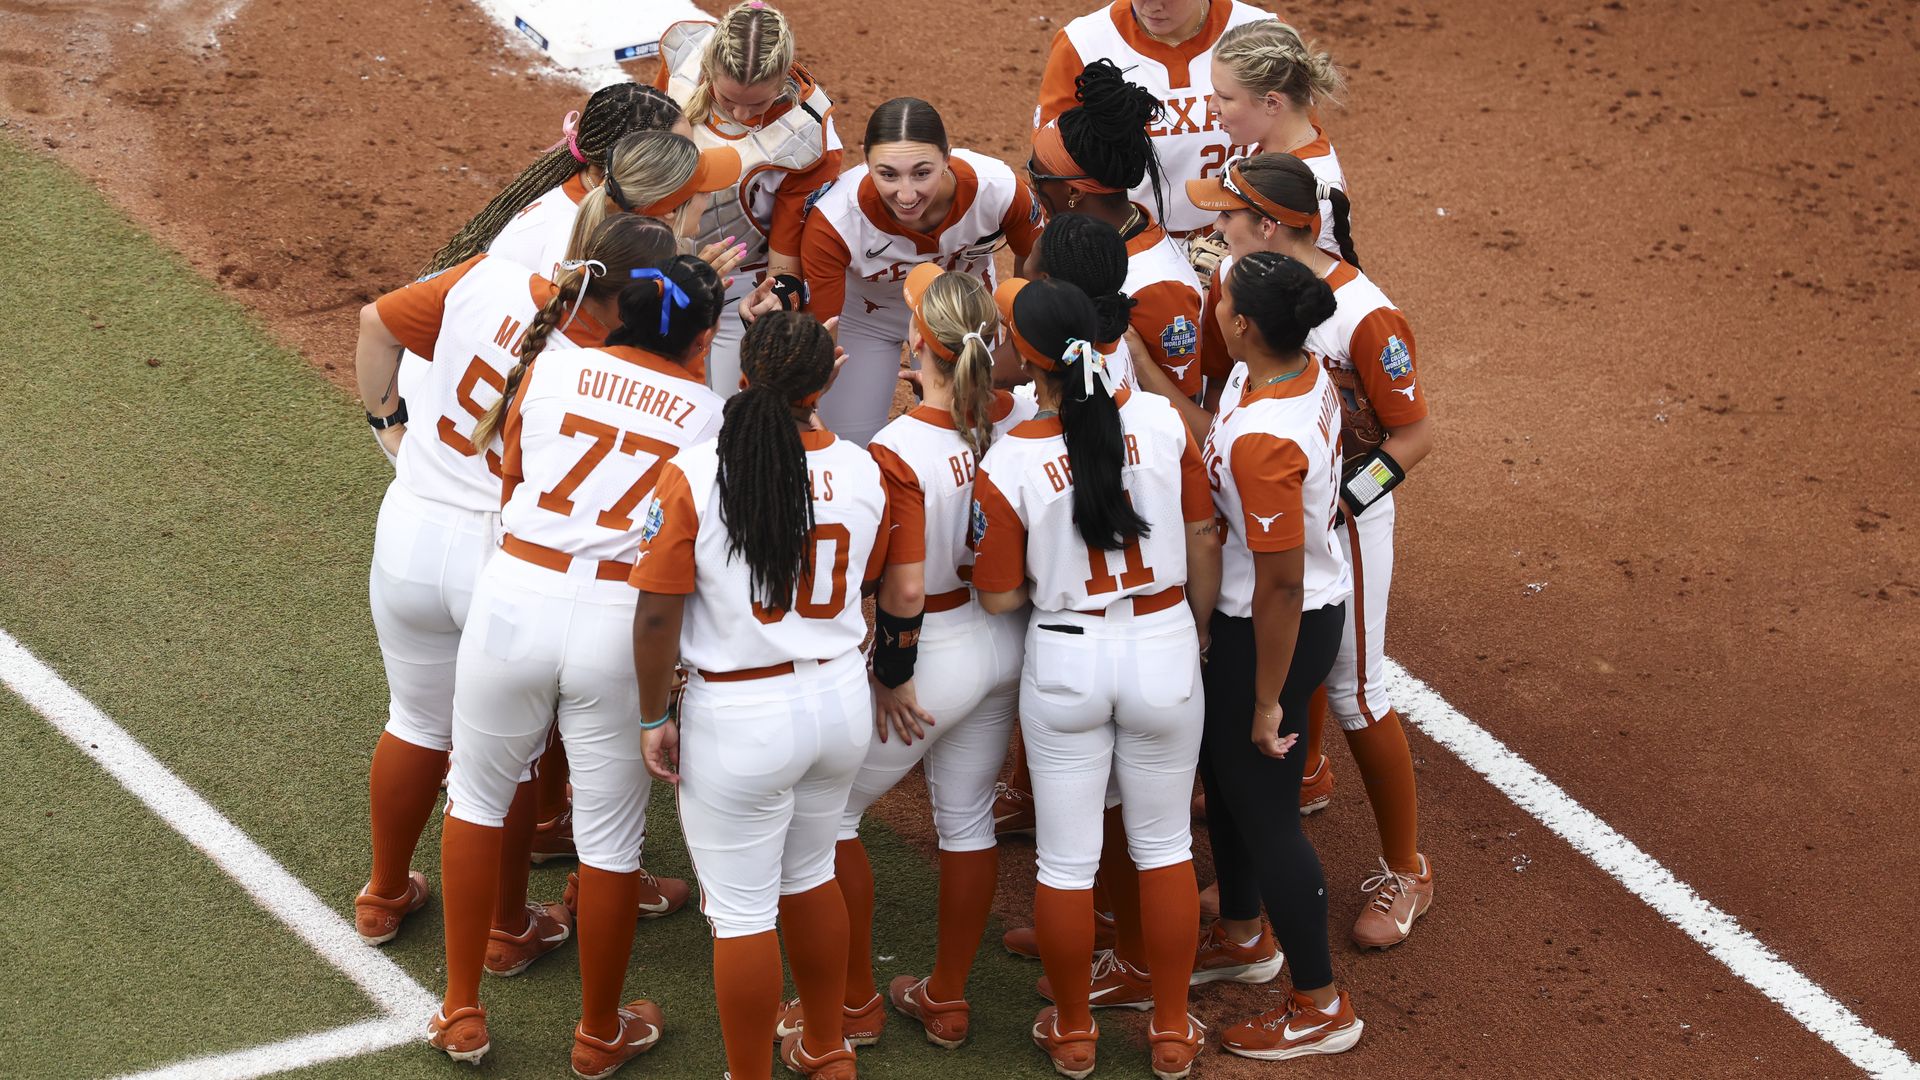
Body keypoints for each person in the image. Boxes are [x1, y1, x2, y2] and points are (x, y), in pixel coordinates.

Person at [427, 254, 729, 1078]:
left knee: (477, 797)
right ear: (703, 336)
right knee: (609, 840)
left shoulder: (553, 372)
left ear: (619, 312)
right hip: (618, 624)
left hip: (515, 595)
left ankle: (460, 1011)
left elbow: (515, 480)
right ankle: (599, 1034)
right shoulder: (711, 414)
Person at [349, 214, 675, 949]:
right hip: (501, 560)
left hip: (411, 526)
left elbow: (376, 321)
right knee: (510, 756)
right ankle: (505, 926)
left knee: (414, 721)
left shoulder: (486, 273)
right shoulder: (610, 359)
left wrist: (388, 425)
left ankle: (384, 893)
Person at [631, 312, 892, 1080]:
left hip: (742, 714)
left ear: (742, 372)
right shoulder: (865, 469)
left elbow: (654, 611)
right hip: (840, 700)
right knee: (811, 873)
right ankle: (824, 1045)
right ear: (833, 374)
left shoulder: (693, 470)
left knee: (743, 913)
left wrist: (653, 715)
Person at [971, 277, 1217, 1080]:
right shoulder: (1157, 419)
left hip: (1068, 658)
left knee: (1067, 864)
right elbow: (1201, 530)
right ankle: (1173, 1031)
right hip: (1165, 645)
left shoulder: (1009, 459)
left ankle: (1073, 1033)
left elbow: (1001, 592)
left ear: (1030, 360)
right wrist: (1200, 625)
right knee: (1166, 848)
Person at [1190, 153, 1435, 947]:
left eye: (1225, 214)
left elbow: (1415, 434)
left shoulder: (1364, 315)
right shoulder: (1253, 300)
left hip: (1343, 527)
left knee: (1356, 691)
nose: (1212, 225)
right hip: (1284, 511)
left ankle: (1407, 869)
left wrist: (1337, 503)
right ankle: (1265, 847)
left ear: (1267, 225)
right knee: (1286, 687)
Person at [788, 266, 1030, 1053]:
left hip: (931, 658)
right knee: (965, 825)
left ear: (918, 345)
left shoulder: (895, 451)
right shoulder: (1016, 411)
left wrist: (891, 674)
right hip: (1005, 642)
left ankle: (855, 1004)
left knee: (828, 824)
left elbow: (895, 580)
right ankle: (947, 1000)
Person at [1192, 249, 1364, 1060]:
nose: (1214, 307)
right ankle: (1242, 937)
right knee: (1227, 786)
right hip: (1266, 619)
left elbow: (1281, 587)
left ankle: (1320, 1003)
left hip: (1271, 632)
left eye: (1222, 300)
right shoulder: (1283, 374)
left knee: (1266, 812)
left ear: (1245, 325)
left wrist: (1267, 700)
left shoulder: (1267, 437)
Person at [801, 97, 1042, 446]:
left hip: (961, 317)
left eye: (922, 172)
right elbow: (823, 329)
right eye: (887, 174)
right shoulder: (834, 220)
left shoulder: (999, 189)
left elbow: (1034, 271)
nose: (907, 194)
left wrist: (1014, 352)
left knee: (968, 439)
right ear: (865, 161)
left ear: (947, 157)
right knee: (848, 440)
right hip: (864, 320)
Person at [655, 0, 844, 400]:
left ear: (783, 80)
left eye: (756, 103)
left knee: (724, 413)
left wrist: (775, 295)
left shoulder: (805, 140)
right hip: (654, 261)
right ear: (708, 70)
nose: (740, 112)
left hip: (736, 283)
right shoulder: (685, 58)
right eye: (726, 99)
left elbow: (787, 265)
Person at [1027, 60, 1206, 397]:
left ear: (1074, 192)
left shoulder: (1156, 286)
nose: (1032, 185)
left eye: (1038, 177)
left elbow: (1182, 418)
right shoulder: (1082, 240)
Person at [1035, 0, 1274, 239]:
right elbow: (1053, 168)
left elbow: (1298, 141)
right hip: (1130, 243)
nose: (1152, 6)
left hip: (1247, 240)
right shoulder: (1083, 43)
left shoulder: (1264, 33)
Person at [419, 83, 689, 278]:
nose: (688, 168)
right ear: (635, 164)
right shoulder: (570, 235)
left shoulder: (581, 194)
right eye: (677, 159)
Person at [489, 129, 746, 285]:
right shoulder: (609, 269)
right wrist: (683, 296)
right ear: (671, 210)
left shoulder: (607, 235)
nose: (710, 198)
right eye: (704, 191)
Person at [1208, 20, 1352, 260]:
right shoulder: (1281, 138)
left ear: (1272, 103)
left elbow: (1292, 288)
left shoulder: (1306, 189)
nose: (1212, 106)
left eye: (1224, 96)